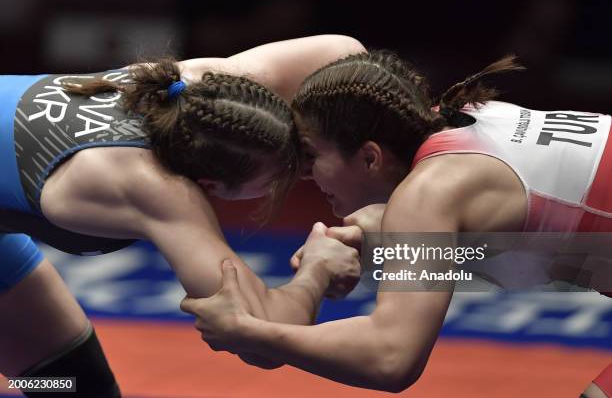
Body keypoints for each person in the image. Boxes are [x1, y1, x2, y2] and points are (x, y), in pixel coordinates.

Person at [180, 50, 612, 394]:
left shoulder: (430, 192)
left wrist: (251, 331)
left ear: (370, 157)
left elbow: (391, 358)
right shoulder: (463, 118)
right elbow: (512, 229)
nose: (306, 174)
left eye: (312, 155)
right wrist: (378, 237)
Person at [0, 35, 365, 397]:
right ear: (211, 186)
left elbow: (345, 51)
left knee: (73, 388)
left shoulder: (195, 86)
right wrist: (317, 270)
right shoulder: (154, 189)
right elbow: (262, 340)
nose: (304, 174)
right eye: (277, 178)